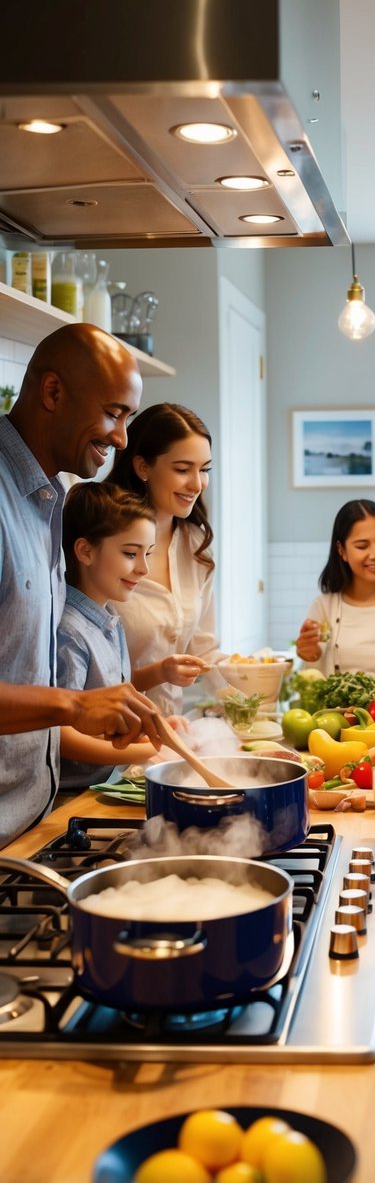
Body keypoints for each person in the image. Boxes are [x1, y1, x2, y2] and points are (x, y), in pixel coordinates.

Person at [0, 322, 160, 847]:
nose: (120, 438)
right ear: (52, 392)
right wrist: (72, 706)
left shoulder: (47, 500)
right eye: (113, 413)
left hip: (34, 824)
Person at [104, 403, 222, 716]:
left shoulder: (196, 546)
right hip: (108, 740)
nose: (197, 484)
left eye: (205, 469)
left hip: (171, 731)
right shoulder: (101, 544)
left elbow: (205, 650)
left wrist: (250, 703)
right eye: (183, 469)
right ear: (142, 467)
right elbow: (88, 679)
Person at [57, 482, 165, 790]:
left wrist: (158, 728)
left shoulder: (111, 621)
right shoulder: (70, 632)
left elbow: (116, 707)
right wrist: (152, 748)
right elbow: (61, 738)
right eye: (131, 553)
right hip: (75, 796)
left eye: (148, 553)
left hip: (110, 783)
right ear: (85, 551)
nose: (144, 568)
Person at [295, 499, 375, 677]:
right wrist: (310, 654)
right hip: (336, 706)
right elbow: (312, 678)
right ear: (341, 550)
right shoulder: (323, 606)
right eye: (362, 546)